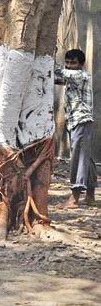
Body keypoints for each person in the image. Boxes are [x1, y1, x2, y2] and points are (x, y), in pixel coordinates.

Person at [55, 49, 96, 208]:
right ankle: (90, 197)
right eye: (68, 62)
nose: (70, 66)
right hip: (76, 122)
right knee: (86, 158)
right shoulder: (70, 77)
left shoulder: (81, 75)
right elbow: (56, 77)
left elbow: (60, 73)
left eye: (73, 63)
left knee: (77, 159)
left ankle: (74, 199)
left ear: (81, 64)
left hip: (81, 121)